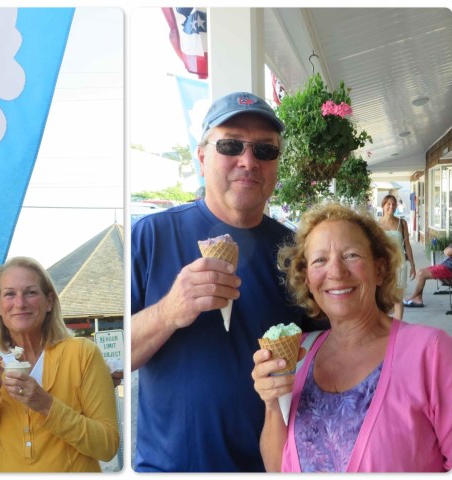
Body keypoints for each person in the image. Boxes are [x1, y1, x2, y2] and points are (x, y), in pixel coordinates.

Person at [131, 92, 318, 472]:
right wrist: (170, 310)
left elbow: (331, 348)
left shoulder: (298, 252)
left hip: (268, 465)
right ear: (202, 157)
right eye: (231, 145)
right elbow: (111, 358)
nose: (248, 161)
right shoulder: (150, 235)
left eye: (265, 151)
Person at [252, 202, 452, 472]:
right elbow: (277, 468)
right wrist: (272, 404)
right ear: (308, 280)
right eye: (320, 260)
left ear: (379, 270)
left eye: (351, 255)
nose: (336, 271)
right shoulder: (298, 356)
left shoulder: (431, 352)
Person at [0, 256, 119, 472]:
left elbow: (107, 446)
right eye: (9, 294)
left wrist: (45, 404)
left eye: (31, 292)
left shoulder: (83, 353)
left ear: (49, 302)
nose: (20, 303)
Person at [377, 194, 415, 318]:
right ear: (383, 205)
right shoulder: (376, 224)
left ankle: (398, 327)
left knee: (398, 297)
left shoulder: (401, 223)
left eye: (394, 204)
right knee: (383, 296)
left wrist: (413, 265)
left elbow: (407, 245)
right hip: (383, 265)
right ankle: (383, 326)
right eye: (388, 204)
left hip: (400, 265)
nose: (391, 206)